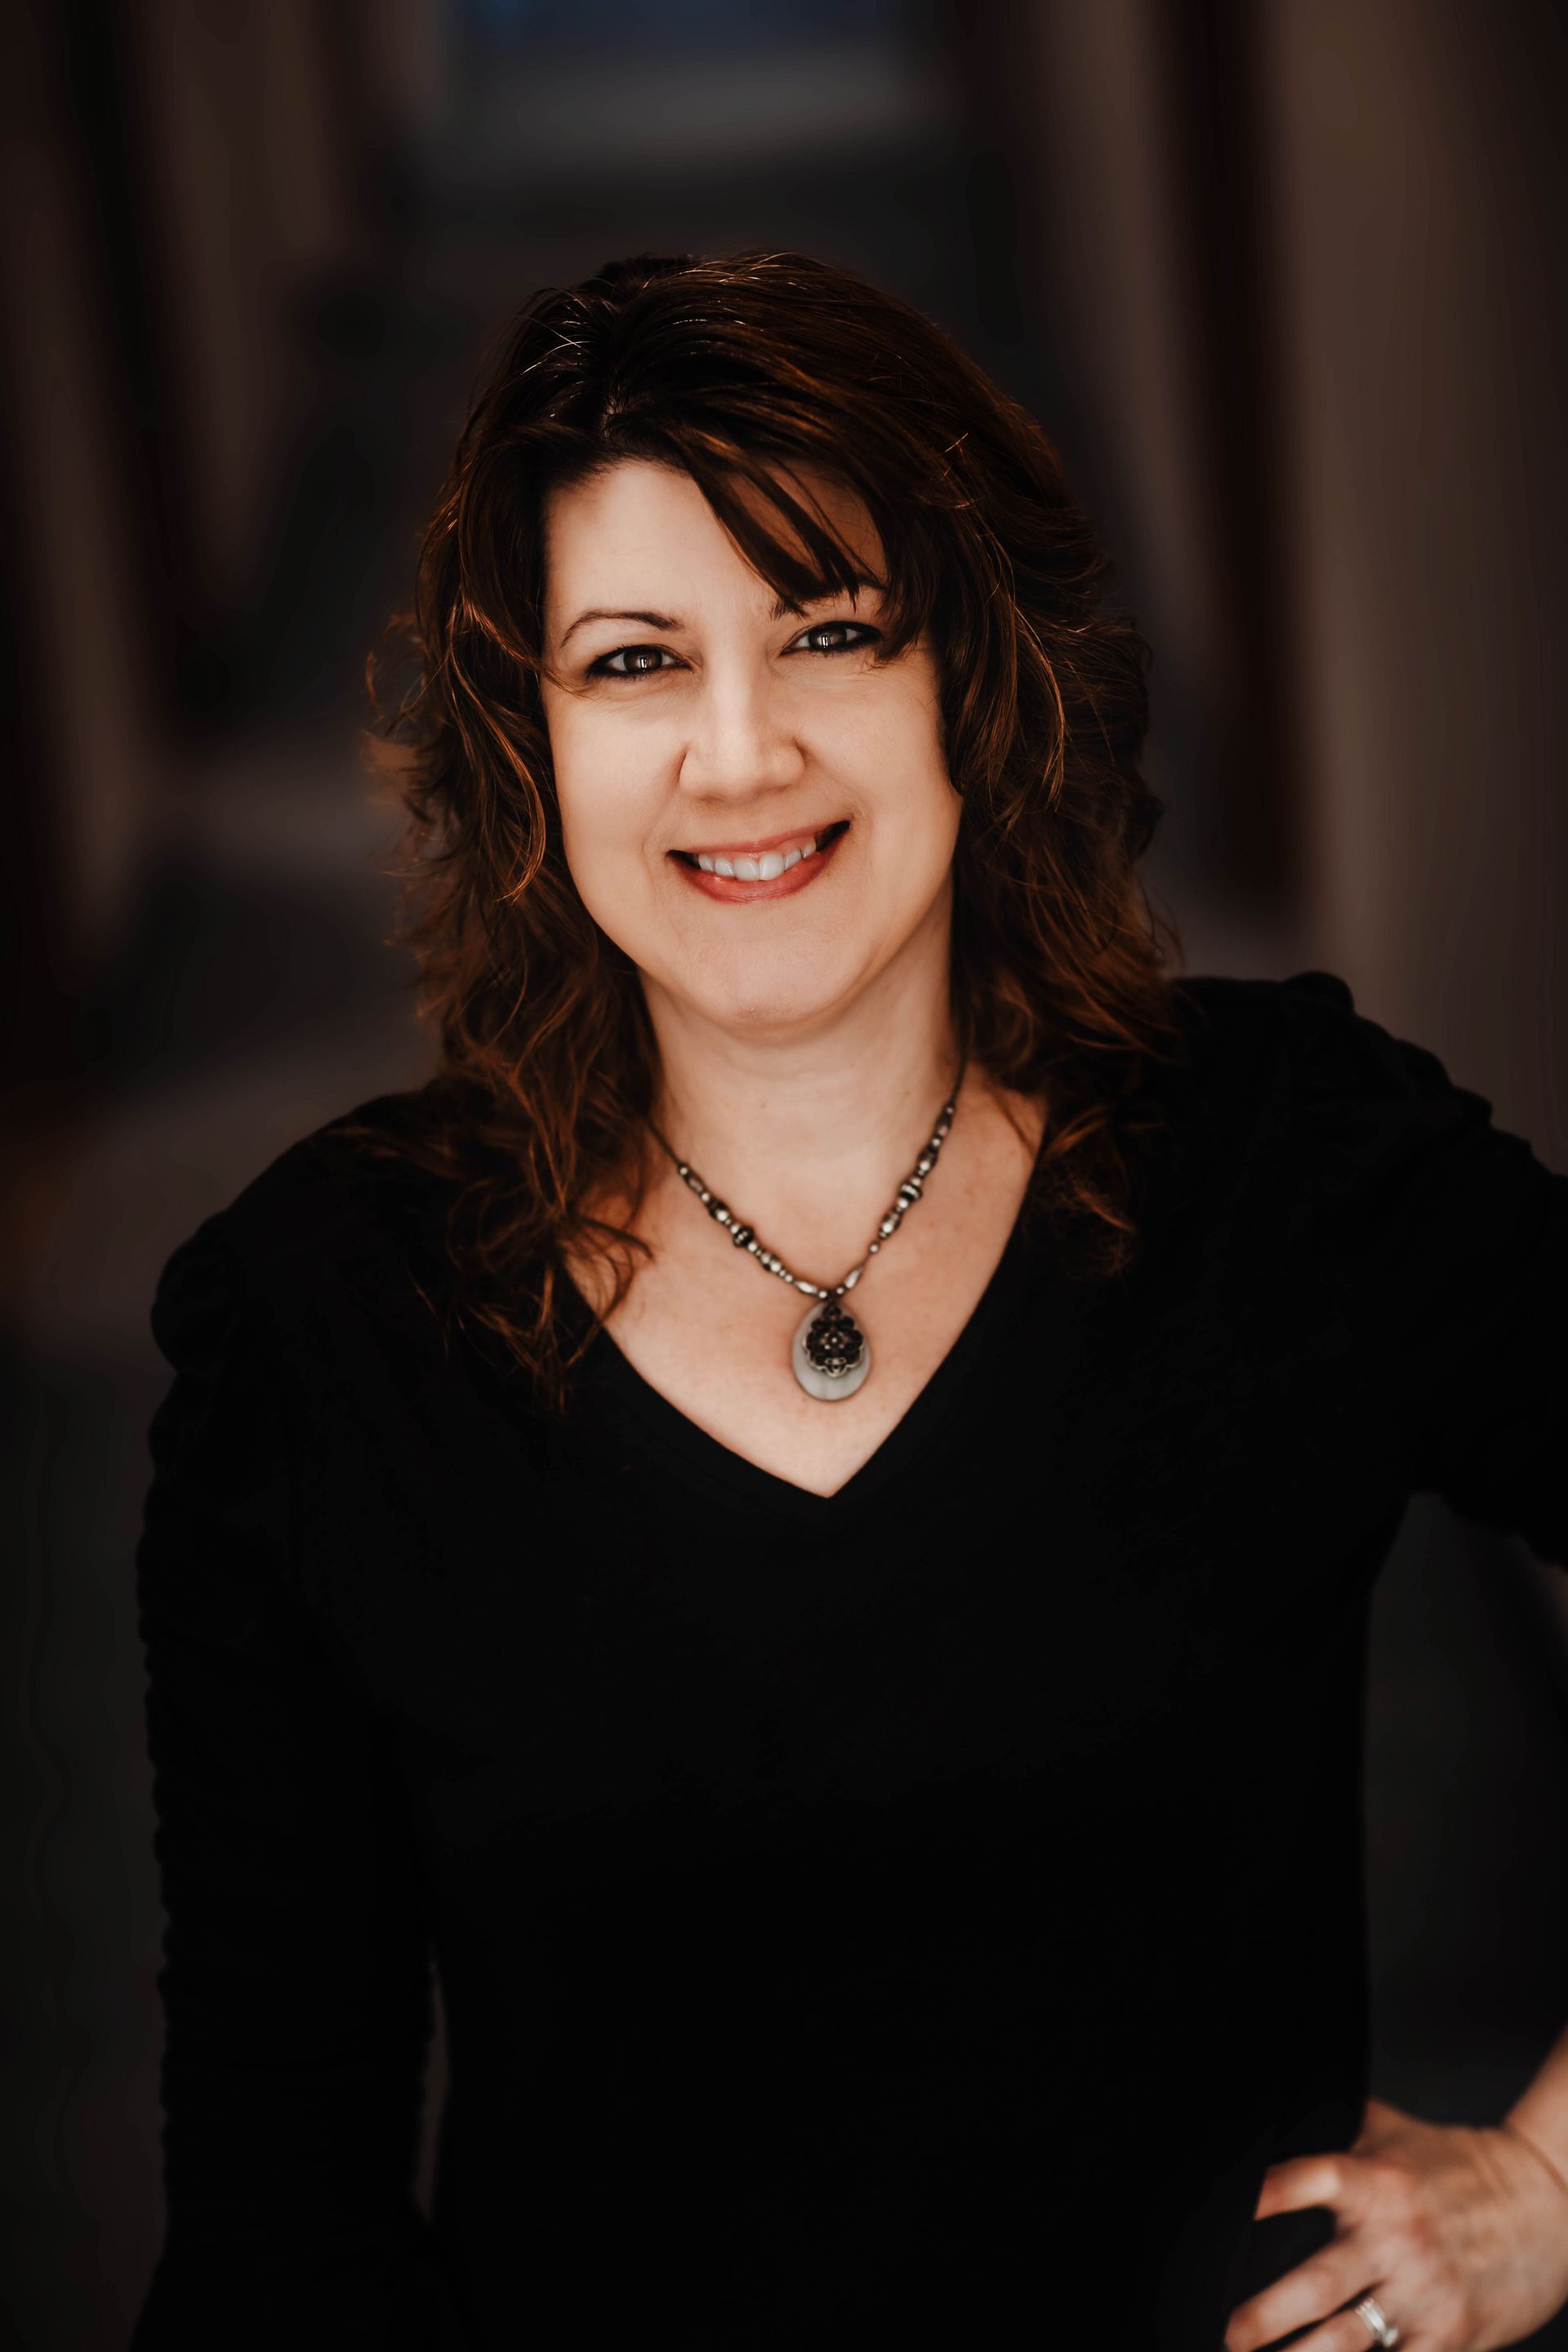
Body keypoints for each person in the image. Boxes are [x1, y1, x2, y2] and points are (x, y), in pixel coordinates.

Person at [130, 249, 1568, 2352]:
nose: (740, 750)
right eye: (632, 663)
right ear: (526, 739)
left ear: (976, 680)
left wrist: (1542, 2193)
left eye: (831, 631)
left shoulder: (1288, 1170)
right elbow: (279, 2222)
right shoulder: (325, 1334)